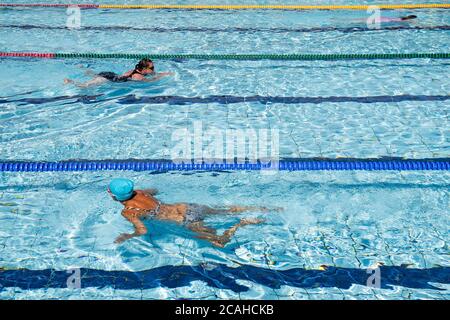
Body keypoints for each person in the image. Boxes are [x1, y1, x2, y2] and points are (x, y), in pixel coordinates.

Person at [108, 178, 282, 247]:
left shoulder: (128, 211)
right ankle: (268, 208)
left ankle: (242, 223)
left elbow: (143, 230)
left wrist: (128, 236)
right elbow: (156, 190)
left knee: (219, 242)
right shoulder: (140, 191)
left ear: (116, 196)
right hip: (188, 207)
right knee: (226, 211)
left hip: (185, 220)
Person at [64, 58, 173, 88]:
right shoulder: (138, 76)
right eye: (151, 67)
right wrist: (162, 76)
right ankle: (71, 81)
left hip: (111, 74)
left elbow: (152, 75)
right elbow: (150, 81)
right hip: (107, 79)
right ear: (144, 69)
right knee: (85, 86)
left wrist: (162, 73)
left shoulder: (136, 70)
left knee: (93, 75)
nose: (154, 69)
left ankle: (83, 68)